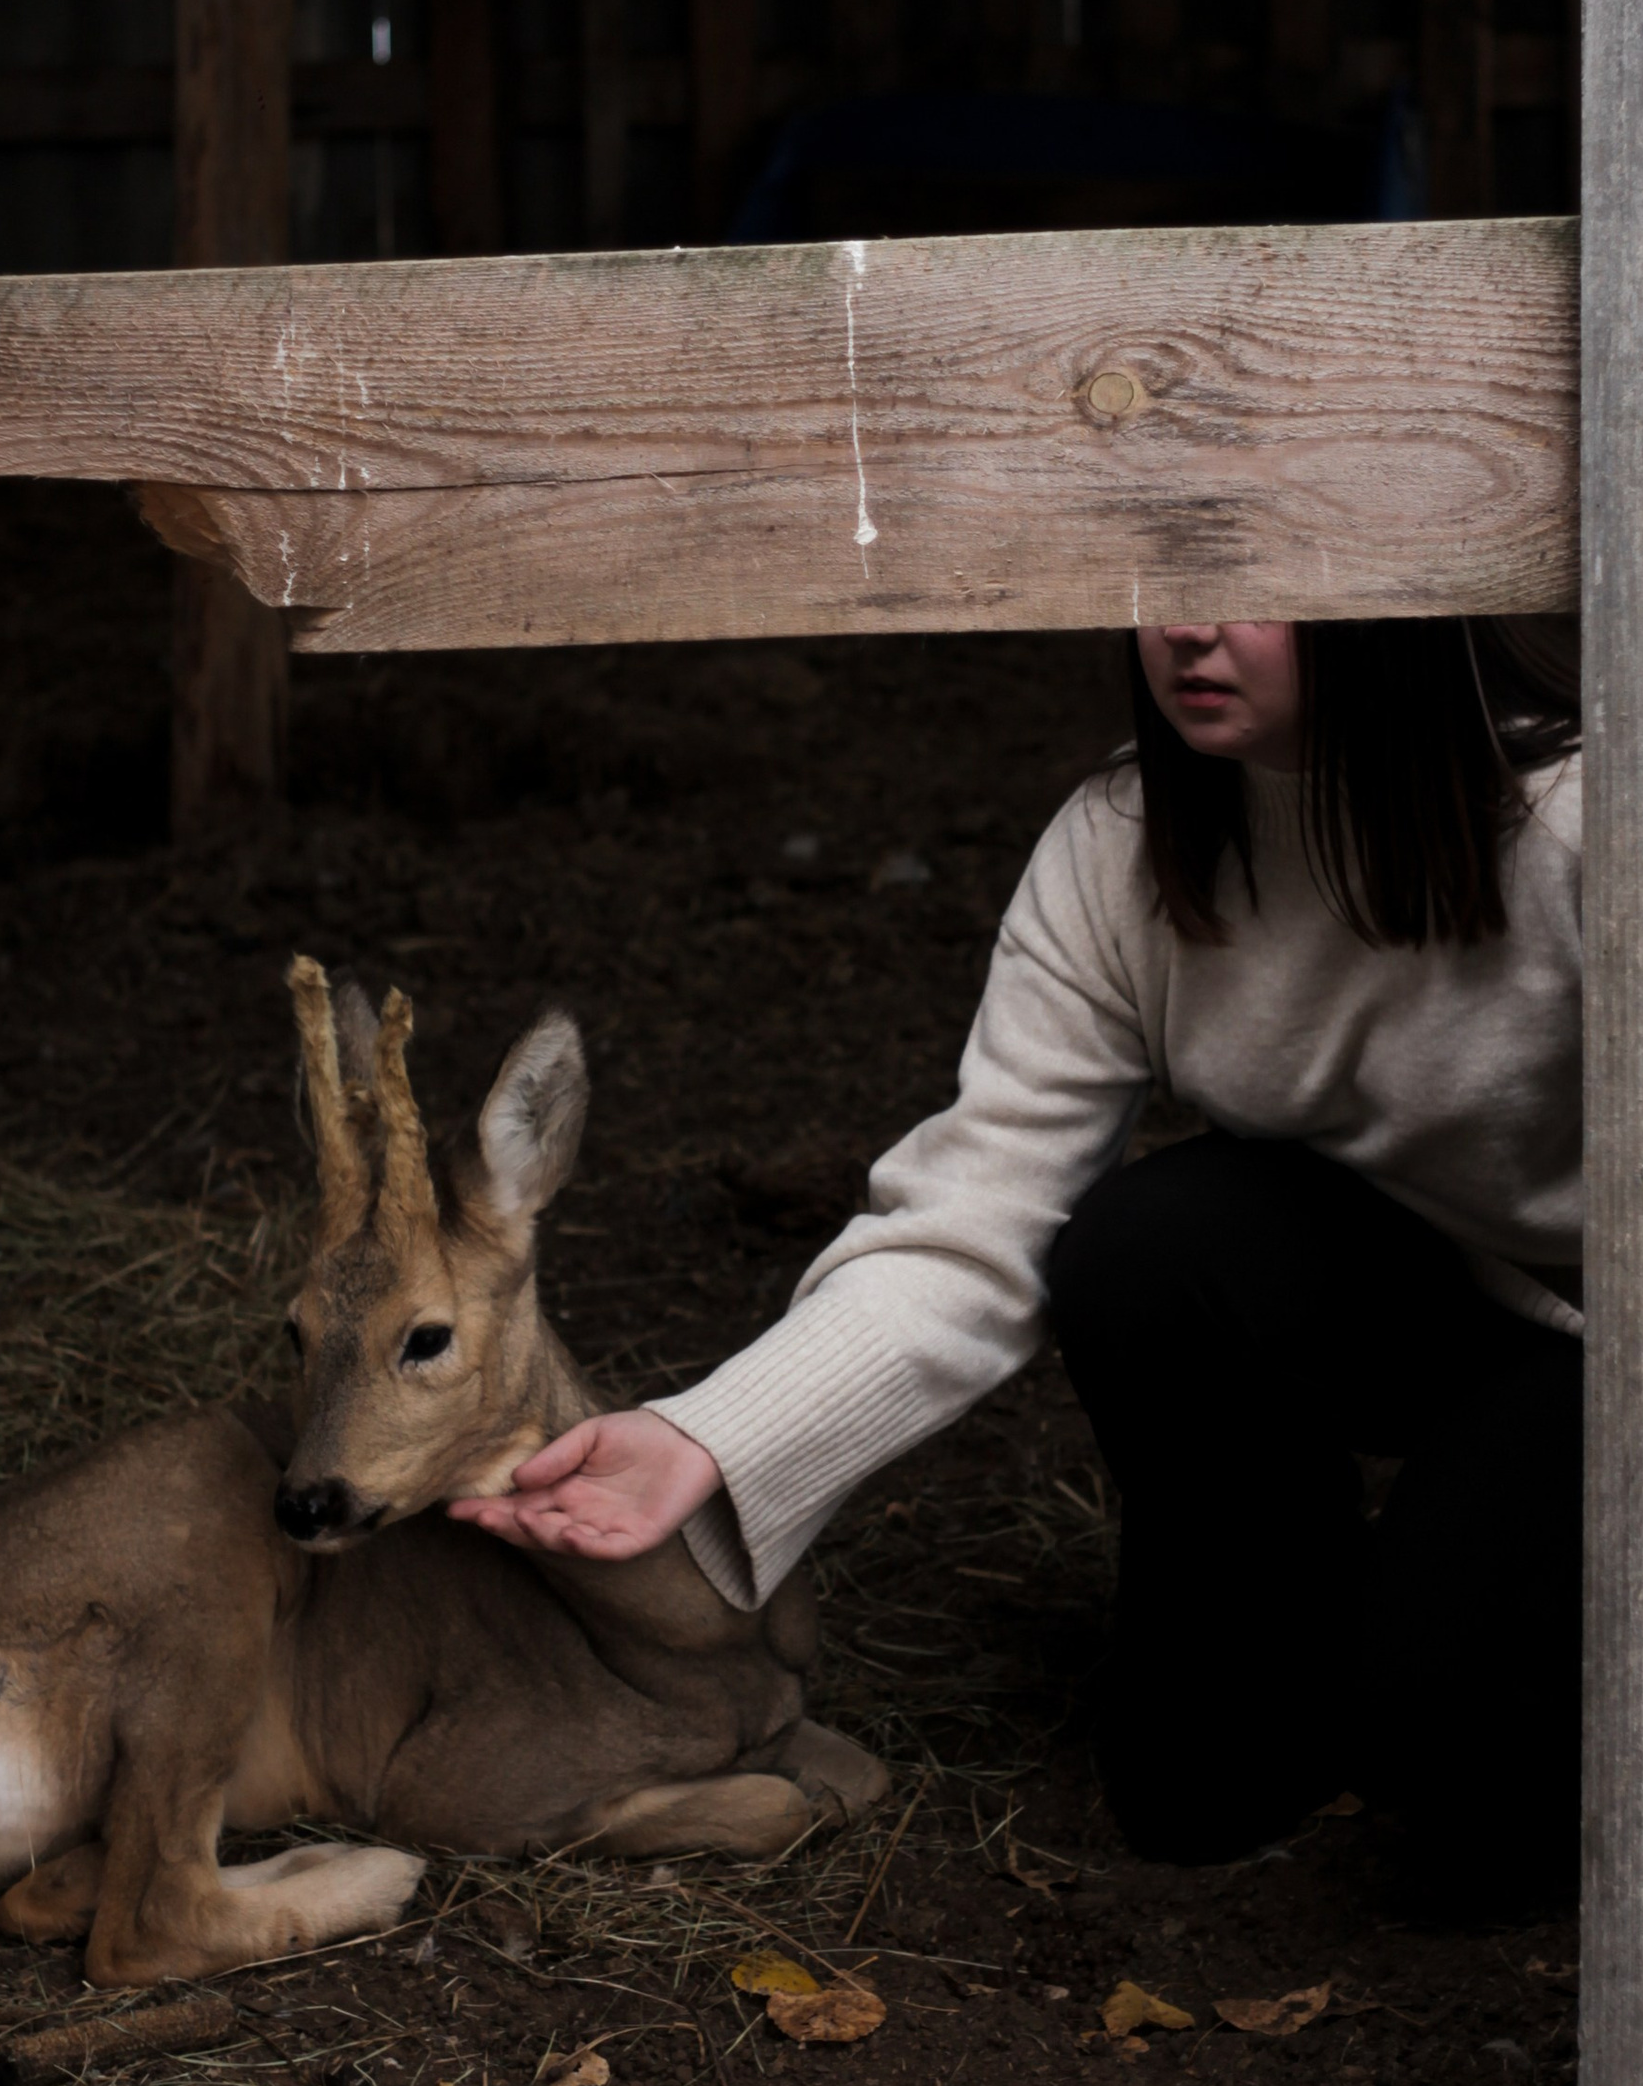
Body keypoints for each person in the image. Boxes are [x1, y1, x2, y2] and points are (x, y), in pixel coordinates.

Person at [451, 618, 1584, 1920]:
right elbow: (981, 1216)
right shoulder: (1124, 835)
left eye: (1250, 581)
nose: (1188, 626)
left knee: (1451, 1775)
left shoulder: (1571, 821)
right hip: (1414, 1291)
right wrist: (705, 1438)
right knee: (1193, 1779)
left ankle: (1467, 1627)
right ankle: (1317, 1624)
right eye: (1161, 576)